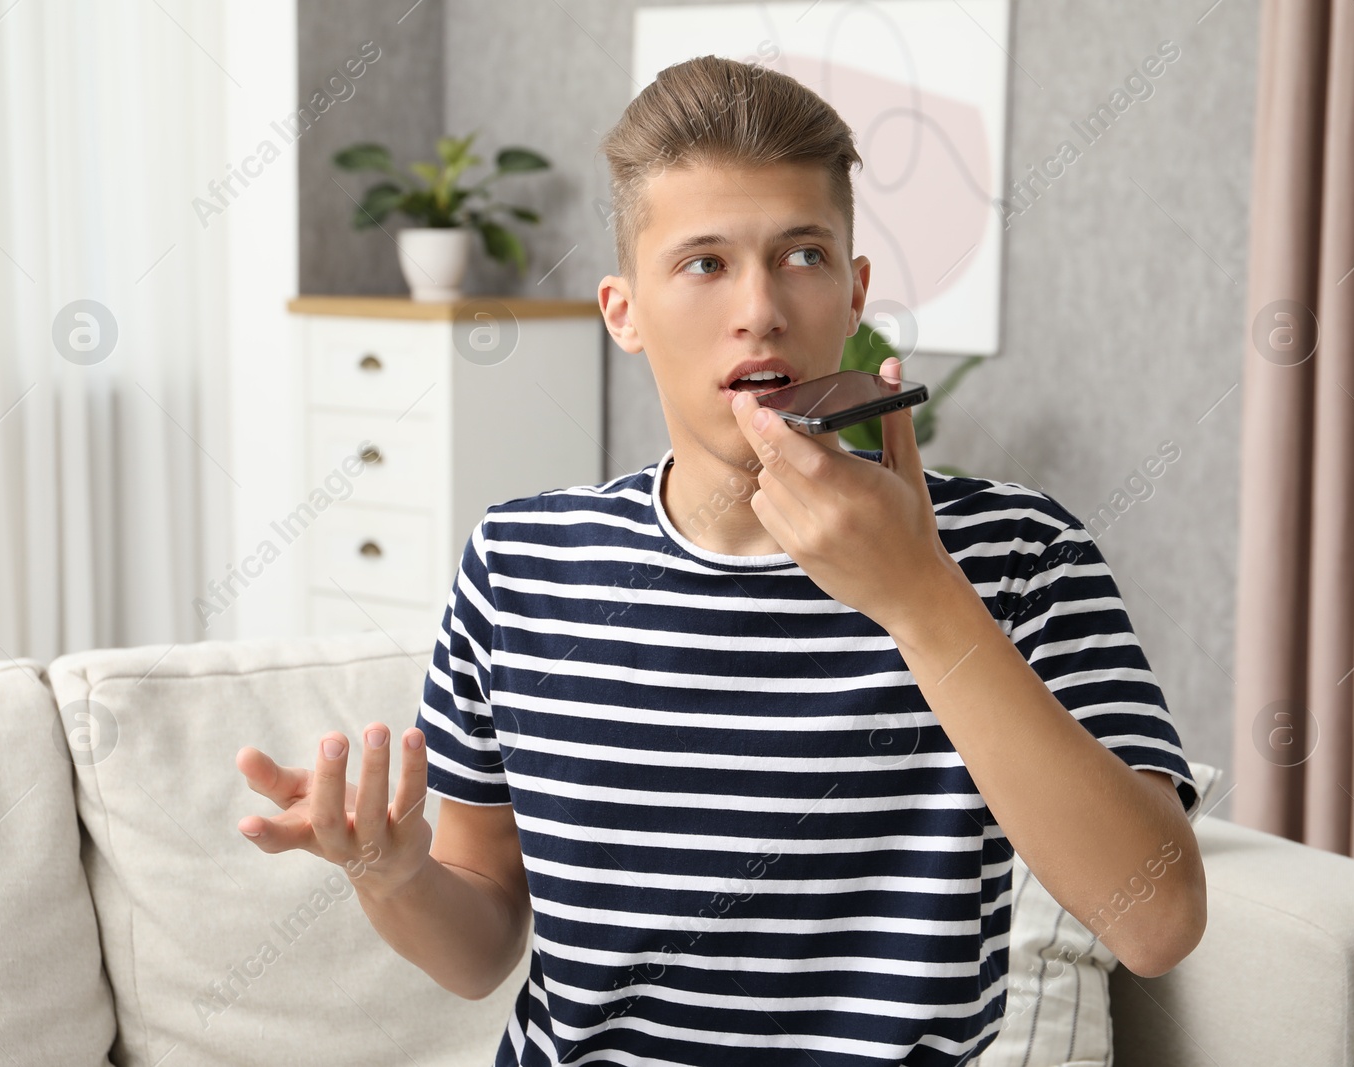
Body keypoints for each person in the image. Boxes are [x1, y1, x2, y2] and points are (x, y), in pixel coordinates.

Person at [236, 54, 1206, 1066]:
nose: (761, 307)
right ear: (623, 311)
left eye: (802, 254)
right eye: (704, 262)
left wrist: (921, 598)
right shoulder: (519, 565)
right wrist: (391, 874)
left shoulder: (1019, 550)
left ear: (854, 290)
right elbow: (480, 945)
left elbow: (1156, 919)